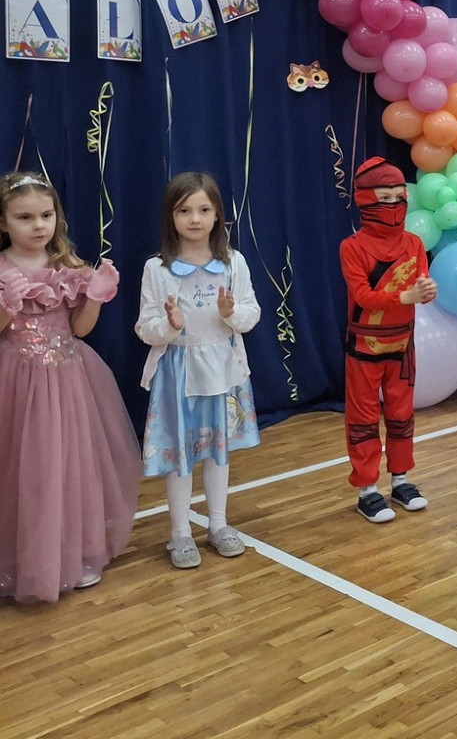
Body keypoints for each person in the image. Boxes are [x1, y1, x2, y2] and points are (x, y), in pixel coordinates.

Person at [0, 172, 140, 602]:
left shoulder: (67, 266)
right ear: (4, 222)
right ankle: (23, 561)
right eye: (25, 217)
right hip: (17, 381)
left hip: (67, 378)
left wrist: (95, 295)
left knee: (69, 466)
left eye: (46, 215)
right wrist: (6, 304)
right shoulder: (2, 269)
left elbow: (80, 329)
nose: (38, 225)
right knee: (25, 471)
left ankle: (74, 556)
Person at [136, 172, 261, 568]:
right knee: (180, 455)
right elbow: (145, 327)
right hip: (177, 372)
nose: (194, 219)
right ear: (170, 217)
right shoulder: (157, 268)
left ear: (217, 214)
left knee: (217, 452)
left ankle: (219, 524)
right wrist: (169, 325)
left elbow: (251, 314)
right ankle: (180, 533)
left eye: (204, 209)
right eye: (184, 210)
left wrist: (230, 313)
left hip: (223, 369)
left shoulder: (233, 263)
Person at [340, 157, 437, 523]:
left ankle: (400, 480)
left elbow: (421, 284)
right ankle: (367, 489)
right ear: (366, 199)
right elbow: (363, 297)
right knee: (363, 419)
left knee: (401, 415)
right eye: (384, 198)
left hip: (402, 346)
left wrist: (426, 292)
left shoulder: (414, 243)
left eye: (399, 197)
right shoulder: (352, 247)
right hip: (364, 348)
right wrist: (406, 297)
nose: (394, 205)